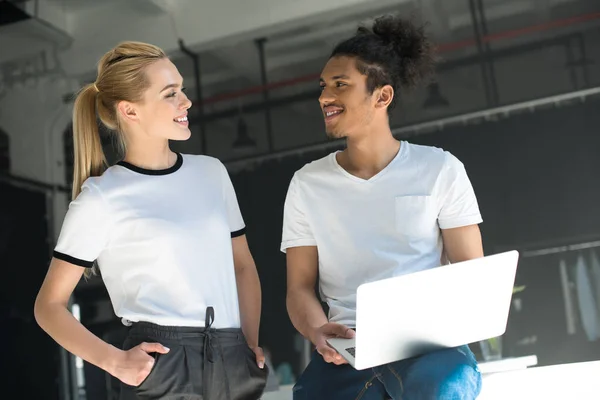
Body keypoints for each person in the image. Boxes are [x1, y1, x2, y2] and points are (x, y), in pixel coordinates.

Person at [34, 41, 268, 400]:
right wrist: (114, 361)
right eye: (170, 93)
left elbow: (242, 265)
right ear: (130, 111)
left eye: (182, 90)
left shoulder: (212, 173)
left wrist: (248, 343)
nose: (186, 101)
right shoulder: (102, 197)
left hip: (233, 356)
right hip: (163, 365)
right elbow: (48, 307)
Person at [282, 15, 484, 399]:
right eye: (324, 86)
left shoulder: (440, 168)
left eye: (341, 84)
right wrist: (317, 331)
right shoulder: (307, 184)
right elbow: (299, 288)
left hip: (431, 349)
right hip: (347, 353)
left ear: (382, 96)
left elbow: (470, 277)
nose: (325, 96)